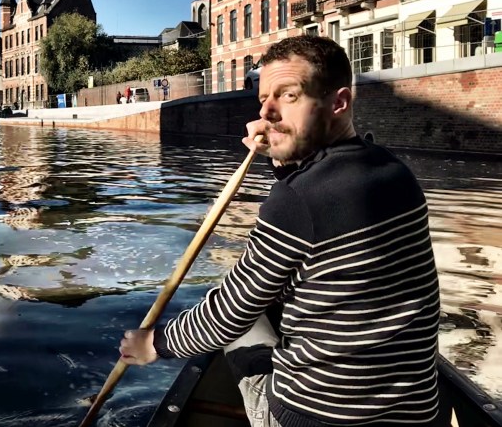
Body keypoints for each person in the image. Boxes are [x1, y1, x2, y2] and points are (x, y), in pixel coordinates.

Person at [119, 36, 445, 426]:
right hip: (420, 415)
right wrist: (284, 160)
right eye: (263, 99)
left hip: (318, 418)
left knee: (233, 308)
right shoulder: (394, 171)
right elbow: (321, 210)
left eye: (287, 96)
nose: (267, 112)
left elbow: (229, 313)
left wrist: (154, 344)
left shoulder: (297, 200)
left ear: (338, 103)